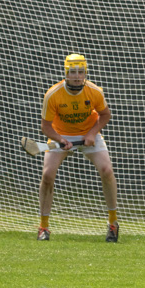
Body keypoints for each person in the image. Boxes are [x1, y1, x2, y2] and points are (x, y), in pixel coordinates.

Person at [36, 53, 119, 242]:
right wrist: (60, 140)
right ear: (66, 73)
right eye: (72, 72)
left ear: (85, 73)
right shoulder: (53, 95)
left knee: (107, 170)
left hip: (88, 133)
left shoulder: (95, 91)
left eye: (80, 72)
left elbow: (105, 115)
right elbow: (46, 126)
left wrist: (91, 134)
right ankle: (43, 227)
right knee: (48, 175)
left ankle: (113, 224)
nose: (77, 76)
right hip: (61, 135)